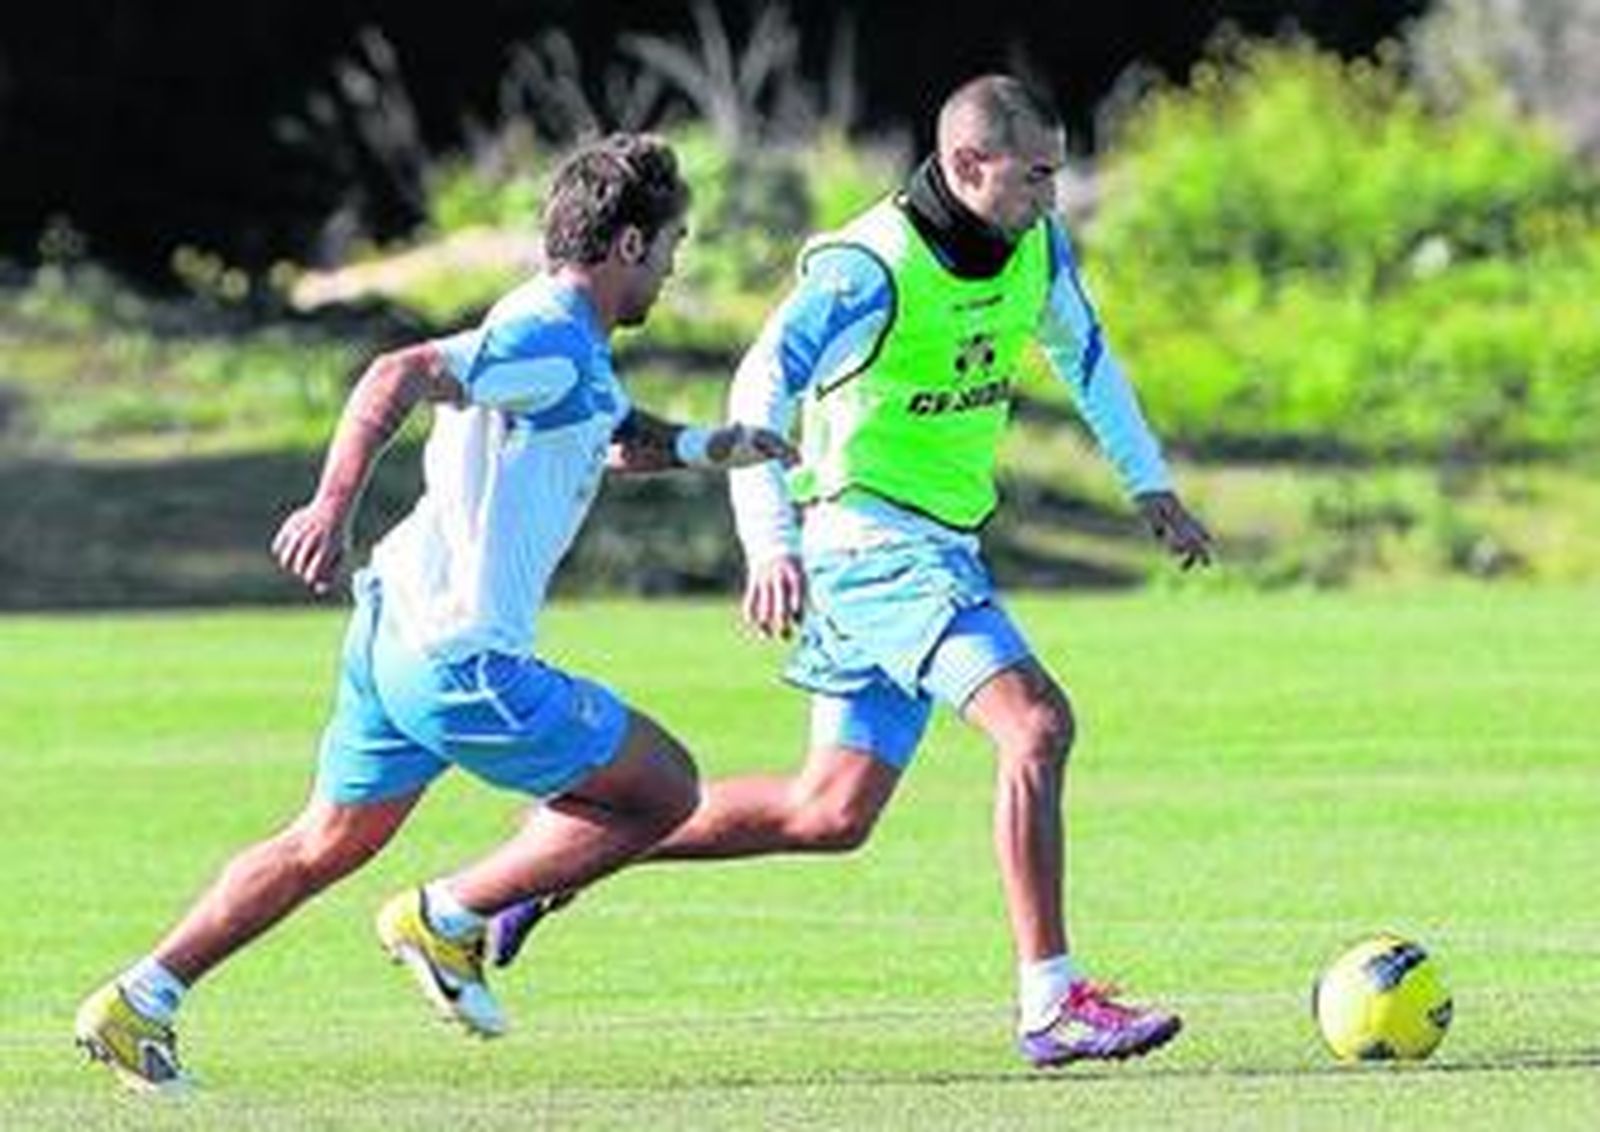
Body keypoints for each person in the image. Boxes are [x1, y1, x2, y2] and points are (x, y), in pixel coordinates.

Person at [489, 75, 1213, 1069]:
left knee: (828, 812)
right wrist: (769, 539)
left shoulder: (1035, 247)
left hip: (932, 544)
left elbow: (1084, 355)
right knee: (1036, 725)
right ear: (967, 166)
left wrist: (1149, 484)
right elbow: (761, 377)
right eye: (1036, 174)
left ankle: (561, 857)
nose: (1054, 193)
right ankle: (1050, 1001)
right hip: (868, 545)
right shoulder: (869, 264)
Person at [72, 131, 795, 1093]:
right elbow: (394, 373)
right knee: (664, 788)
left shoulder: (566, 346)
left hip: (393, 629)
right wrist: (330, 503)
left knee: (322, 841)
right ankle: (447, 918)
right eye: (671, 245)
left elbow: (610, 433)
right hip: (462, 657)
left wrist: (718, 447)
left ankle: (139, 1001)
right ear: (628, 245)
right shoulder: (545, 329)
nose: (672, 265)